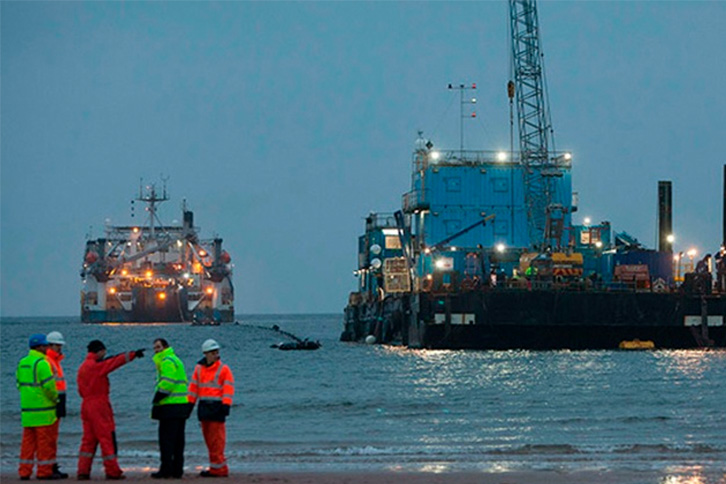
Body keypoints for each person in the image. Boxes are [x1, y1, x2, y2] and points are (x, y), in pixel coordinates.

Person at [76, 340, 144, 480]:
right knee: (106, 437)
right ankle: (112, 471)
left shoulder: (83, 367)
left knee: (88, 440)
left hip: (86, 404)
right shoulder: (97, 366)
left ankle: (83, 470)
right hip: (99, 404)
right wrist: (132, 355)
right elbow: (114, 362)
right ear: (99, 351)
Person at [16, 334, 61, 480]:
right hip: (44, 413)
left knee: (27, 445)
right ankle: (44, 472)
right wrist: (56, 399)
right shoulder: (42, 363)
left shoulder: (22, 363)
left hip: (27, 413)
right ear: (40, 347)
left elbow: (19, 384)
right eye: (46, 345)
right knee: (44, 445)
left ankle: (24, 472)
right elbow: (49, 387)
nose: (47, 348)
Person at [187, 339, 234, 478]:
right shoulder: (199, 369)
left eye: (217, 352)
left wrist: (226, 405)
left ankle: (219, 469)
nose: (216, 355)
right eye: (213, 352)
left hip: (217, 409)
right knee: (209, 441)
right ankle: (216, 467)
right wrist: (189, 405)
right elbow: (193, 388)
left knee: (217, 441)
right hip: (204, 409)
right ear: (206, 354)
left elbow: (228, 388)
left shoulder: (223, 369)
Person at [151, 338, 191, 479]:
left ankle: (166, 470)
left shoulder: (167, 361)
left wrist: (157, 397)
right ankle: (177, 470)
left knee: (166, 441)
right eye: (155, 348)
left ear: (165, 347)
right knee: (178, 441)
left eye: (158, 347)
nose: (156, 350)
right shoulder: (176, 359)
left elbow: (168, 382)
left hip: (170, 406)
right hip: (181, 405)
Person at [45, 331, 69, 479]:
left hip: (57, 402)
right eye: (57, 345)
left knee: (51, 438)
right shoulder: (49, 361)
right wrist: (56, 401)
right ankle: (49, 467)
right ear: (50, 345)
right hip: (52, 403)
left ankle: (51, 466)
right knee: (48, 438)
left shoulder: (55, 361)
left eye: (60, 345)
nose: (60, 348)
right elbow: (49, 386)